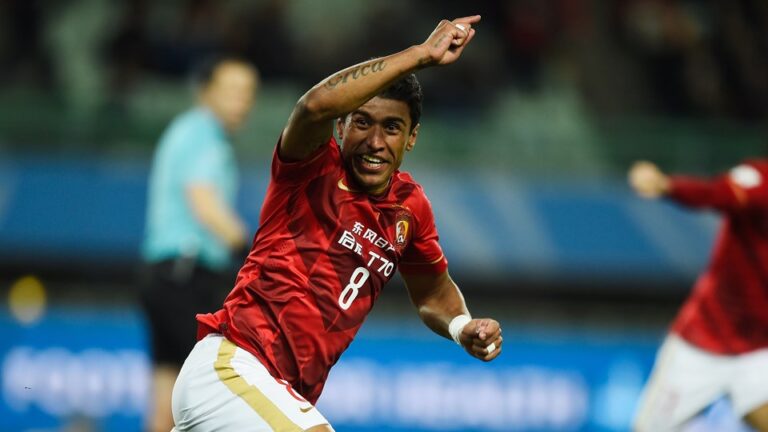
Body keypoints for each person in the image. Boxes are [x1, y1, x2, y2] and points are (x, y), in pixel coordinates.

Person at [170, 15, 503, 432]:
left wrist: (461, 325)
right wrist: (419, 56)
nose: (375, 142)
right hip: (234, 367)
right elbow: (313, 106)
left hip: (274, 394)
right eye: (362, 122)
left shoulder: (410, 208)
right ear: (341, 125)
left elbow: (433, 293)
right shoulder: (311, 165)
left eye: (392, 128)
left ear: (412, 137)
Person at [140, 56, 259, 432]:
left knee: (166, 397)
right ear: (206, 92)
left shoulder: (187, 131)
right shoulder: (204, 135)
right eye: (232, 90)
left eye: (248, 93)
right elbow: (204, 202)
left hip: (161, 275)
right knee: (206, 397)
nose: (242, 101)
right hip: (187, 276)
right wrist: (251, 251)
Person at [628, 160, 768, 431]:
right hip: (702, 343)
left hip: (759, 350)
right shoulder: (760, 181)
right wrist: (668, 185)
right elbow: (715, 193)